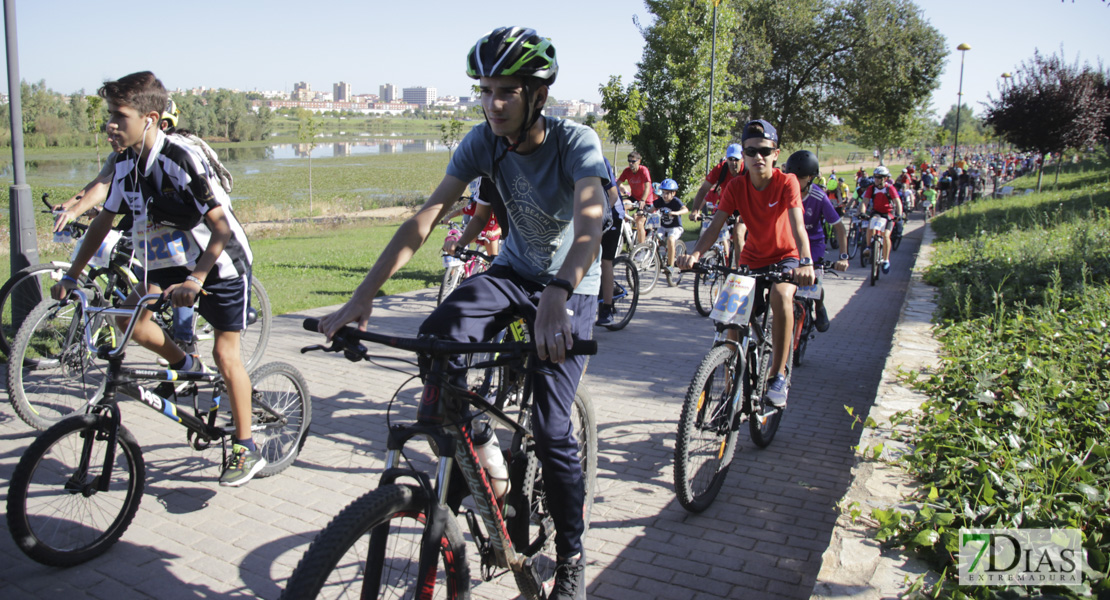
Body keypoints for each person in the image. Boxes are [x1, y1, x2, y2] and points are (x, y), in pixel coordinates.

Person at [318, 27, 607, 600]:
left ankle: (572, 553)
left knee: (552, 429)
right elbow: (423, 222)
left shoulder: (577, 142)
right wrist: (363, 295)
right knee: (436, 338)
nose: (492, 104)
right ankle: (477, 447)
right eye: (485, 90)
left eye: (506, 91)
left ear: (537, 96)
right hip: (511, 274)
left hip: (571, 286)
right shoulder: (482, 142)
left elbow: (591, 226)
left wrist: (557, 291)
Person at [51, 71, 262, 486]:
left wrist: (197, 281)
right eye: (109, 116)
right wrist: (72, 276)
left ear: (149, 117)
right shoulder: (125, 164)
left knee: (227, 354)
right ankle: (185, 365)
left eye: (119, 116)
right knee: (128, 318)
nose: (110, 125)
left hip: (217, 263)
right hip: (167, 261)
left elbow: (221, 228)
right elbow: (102, 224)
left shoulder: (180, 159)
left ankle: (245, 445)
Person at [677, 119, 815, 408]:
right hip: (752, 258)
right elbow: (715, 226)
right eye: (750, 152)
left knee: (780, 295)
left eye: (764, 151)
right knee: (731, 320)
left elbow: (798, 225)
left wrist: (805, 262)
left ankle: (778, 375)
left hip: (786, 257)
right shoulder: (737, 186)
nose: (757, 157)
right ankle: (730, 391)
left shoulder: (787, 181)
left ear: (776, 154)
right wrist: (695, 255)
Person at [782, 151, 848, 332]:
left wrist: (843, 256)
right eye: (792, 177)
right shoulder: (782, 193)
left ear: (811, 178)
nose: (795, 182)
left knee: (814, 280)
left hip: (814, 244)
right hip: (790, 243)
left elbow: (839, 228)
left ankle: (819, 306)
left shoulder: (819, 197)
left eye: (800, 178)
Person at [441, 178, 502, 257]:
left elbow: (501, 228)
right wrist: (448, 217)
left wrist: (493, 233)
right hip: (477, 233)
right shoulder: (475, 206)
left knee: (493, 259)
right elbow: (459, 211)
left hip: (491, 235)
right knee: (463, 246)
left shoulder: (496, 210)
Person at [597, 156, 624, 326]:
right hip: (588, 213)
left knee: (605, 260)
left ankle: (607, 308)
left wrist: (598, 219)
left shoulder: (598, 161)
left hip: (611, 214)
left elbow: (612, 195)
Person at [861, 166, 903, 274]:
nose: (876, 179)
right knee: (870, 225)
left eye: (879, 177)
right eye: (875, 177)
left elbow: (898, 202)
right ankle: (868, 247)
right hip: (876, 212)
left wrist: (899, 214)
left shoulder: (890, 188)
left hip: (888, 214)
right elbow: (865, 202)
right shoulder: (871, 188)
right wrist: (862, 212)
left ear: (884, 178)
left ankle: (886, 260)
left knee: (885, 235)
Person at [652, 178, 688, 286]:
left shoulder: (675, 201)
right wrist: (644, 211)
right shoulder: (660, 201)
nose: (664, 195)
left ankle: (671, 266)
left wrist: (676, 213)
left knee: (671, 240)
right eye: (663, 192)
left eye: (667, 193)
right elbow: (651, 208)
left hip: (675, 227)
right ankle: (656, 258)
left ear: (673, 193)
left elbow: (686, 210)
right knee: (654, 237)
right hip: (663, 227)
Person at [618, 150, 652, 244]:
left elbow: (647, 187)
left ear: (639, 161)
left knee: (639, 222)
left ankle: (642, 248)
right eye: (629, 161)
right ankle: (627, 227)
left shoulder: (643, 170)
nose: (631, 163)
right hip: (634, 197)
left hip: (646, 200)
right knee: (621, 205)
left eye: (633, 161)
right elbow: (617, 184)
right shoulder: (627, 171)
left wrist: (643, 200)